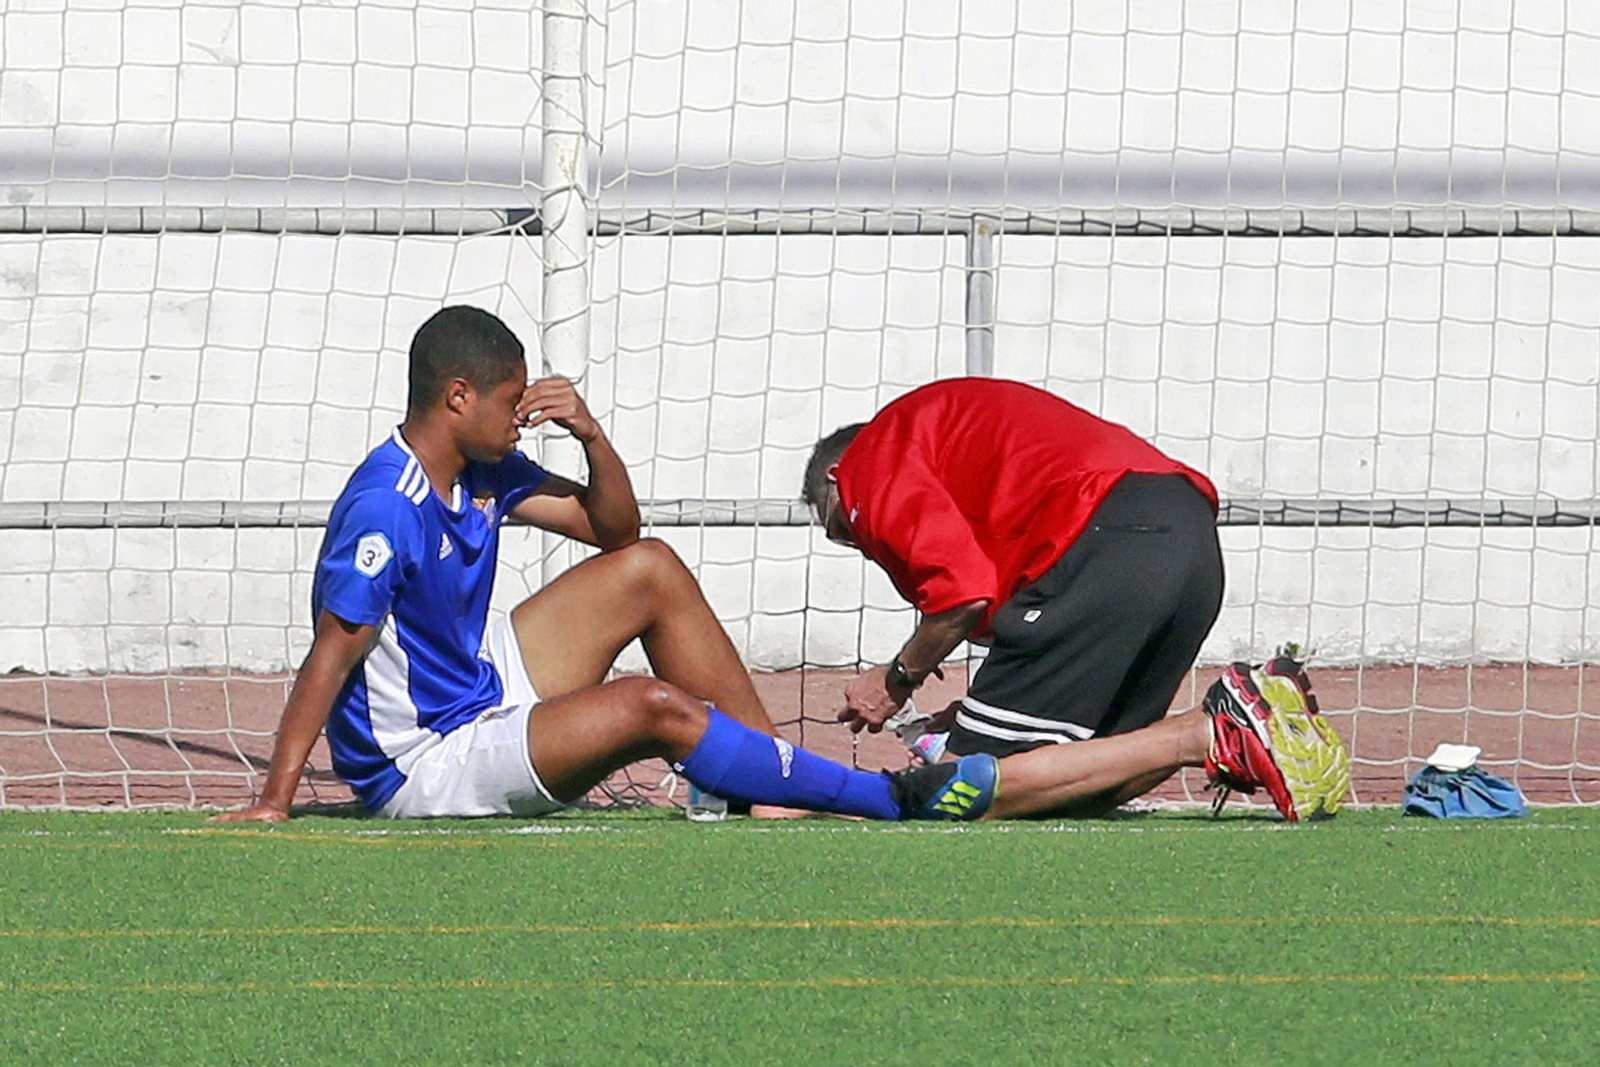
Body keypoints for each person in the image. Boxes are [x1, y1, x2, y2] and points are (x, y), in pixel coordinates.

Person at [216, 305, 992, 825]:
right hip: (425, 760)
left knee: (650, 568)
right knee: (647, 705)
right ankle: (892, 798)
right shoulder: (387, 504)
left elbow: (617, 532)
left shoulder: (483, 469)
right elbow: (331, 649)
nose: (522, 414)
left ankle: (773, 793)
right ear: (458, 396)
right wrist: (275, 801)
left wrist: (590, 434)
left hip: (479, 685)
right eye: (511, 398)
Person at [802, 377, 1348, 820]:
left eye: (841, 529)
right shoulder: (943, 436)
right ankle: (1225, 727)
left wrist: (896, 678)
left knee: (960, 793)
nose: (861, 544)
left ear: (836, 476)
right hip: (1187, 540)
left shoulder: (872, 458)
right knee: (1082, 782)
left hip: (1105, 539)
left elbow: (962, 593)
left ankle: (1210, 728)